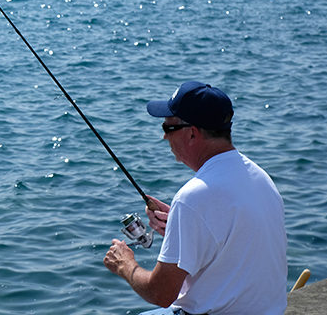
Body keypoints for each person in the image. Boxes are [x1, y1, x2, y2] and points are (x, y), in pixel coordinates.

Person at [103, 81, 287, 315]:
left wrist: (125, 265)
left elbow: (160, 293)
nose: (163, 137)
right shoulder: (260, 178)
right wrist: (178, 226)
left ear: (192, 133)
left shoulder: (192, 198)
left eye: (168, 128)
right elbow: (234, 243)